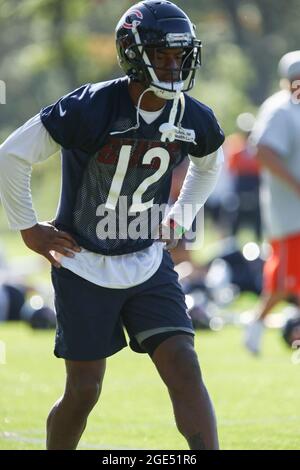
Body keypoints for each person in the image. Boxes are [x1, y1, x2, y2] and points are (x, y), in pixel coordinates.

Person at [0, 1, 224, 450]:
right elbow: (11, 154)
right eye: (162, 54)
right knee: (84, 391)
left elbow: (207, 165)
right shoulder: (90, 106)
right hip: (84, 263)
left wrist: (182, 214)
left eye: (180, 55)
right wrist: (27, 228)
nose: (173, 64)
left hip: (146, 262)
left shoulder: (193, 116)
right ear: (133, 53)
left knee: (183, 362)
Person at [244, 50, 300, 355]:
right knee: (284, 282)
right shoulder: (279, 109)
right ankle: (255, 327)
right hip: (291, 213)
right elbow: (263, 151)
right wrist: (297, 186)